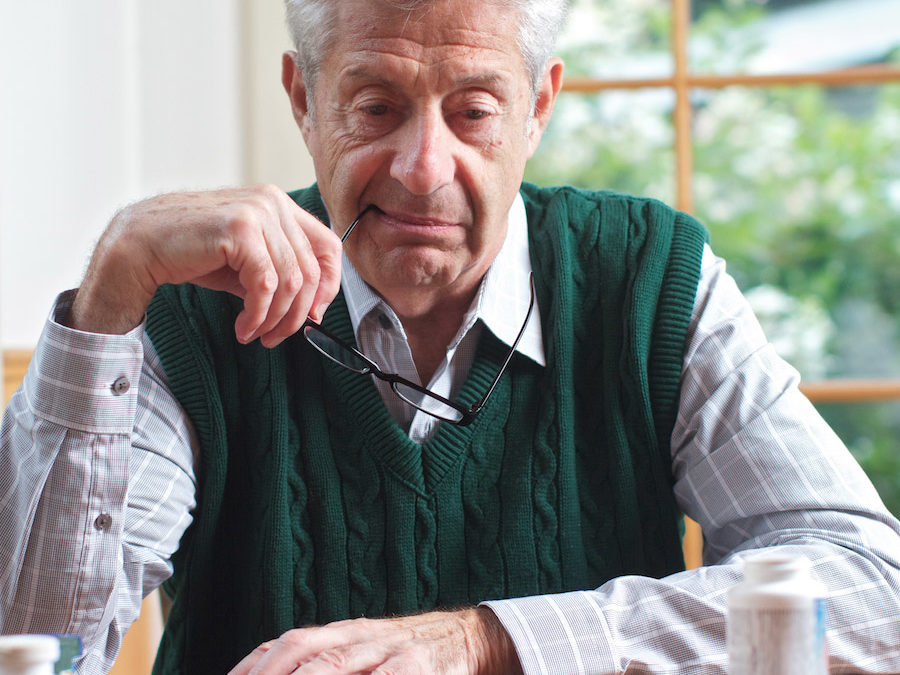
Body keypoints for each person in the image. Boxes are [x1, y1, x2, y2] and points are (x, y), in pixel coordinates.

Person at [2, 0, 899, 672]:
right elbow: (36, 638)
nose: (423, 169)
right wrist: (109, 296)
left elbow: (871, 589)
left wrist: (489, 640)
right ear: (303, 98)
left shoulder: (648, 278)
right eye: (376, 106)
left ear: (538, 106)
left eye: (473, 110)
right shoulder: (187, 302)